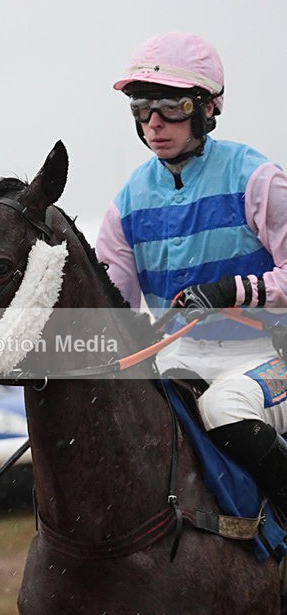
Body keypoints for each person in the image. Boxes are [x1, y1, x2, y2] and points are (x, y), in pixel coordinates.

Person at [95, 31, 287, 519]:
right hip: (179, 355)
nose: (154, 122)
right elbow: (109, 303)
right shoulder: (128, 201)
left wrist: (233, 290)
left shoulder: (258, 178)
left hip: (268, 354)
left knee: (225, 410)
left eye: (171, 106)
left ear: (207, 108)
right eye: (142, 107)